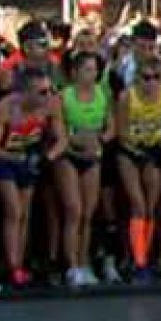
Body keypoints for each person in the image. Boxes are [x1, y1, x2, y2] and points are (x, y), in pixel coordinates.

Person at [0, 67, 67, 289]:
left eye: (48, 90)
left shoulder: (51, 106)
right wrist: (17, 157)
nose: (47, 96)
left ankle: (19, 264)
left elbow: (61, 139)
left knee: (24, 213)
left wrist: (48, 157)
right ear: (26, 92)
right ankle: (11, 264)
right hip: (6, 160)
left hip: (31, 159)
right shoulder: (5, 109)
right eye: (41, 92)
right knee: (13, 211)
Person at [114, 54, 161, 283]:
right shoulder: (126, 98)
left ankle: (145, 256)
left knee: (150, 206)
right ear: (137, 79)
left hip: (153, 150)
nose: (151, 83)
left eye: (156, 78)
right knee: (137, 204)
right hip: (130, 151)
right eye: (146, 78)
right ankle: (138, 261)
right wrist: (137, 146)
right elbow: (121, 133)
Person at [58, 52, 113, 287]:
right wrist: (75, 142)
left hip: (93, 155)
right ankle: (71, 266)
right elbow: (58, 129)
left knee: (88, 214)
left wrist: (99, 139)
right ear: (75, 73)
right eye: (87, 70)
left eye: (95, 70)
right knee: (74, 210)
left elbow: (111, 126)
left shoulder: (102, 95)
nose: (92, 75)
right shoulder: (64, 97)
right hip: (69, 156)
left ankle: (83, 261)